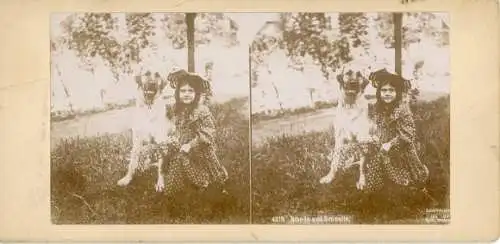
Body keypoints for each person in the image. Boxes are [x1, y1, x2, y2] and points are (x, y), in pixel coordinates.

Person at [162, 69, 229, 198]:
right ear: (177, 93)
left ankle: (205, 183)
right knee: (176, 161)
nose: (186, 94)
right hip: (182, 147)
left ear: (196, 93)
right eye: (183, 91)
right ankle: (176, 191)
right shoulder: (177, 110)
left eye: (190, 91)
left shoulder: (202, 111)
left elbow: (208, 133)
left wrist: (191, 145)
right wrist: (172, 139)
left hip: (200, 150)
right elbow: (173, 127)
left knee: (202, 172)